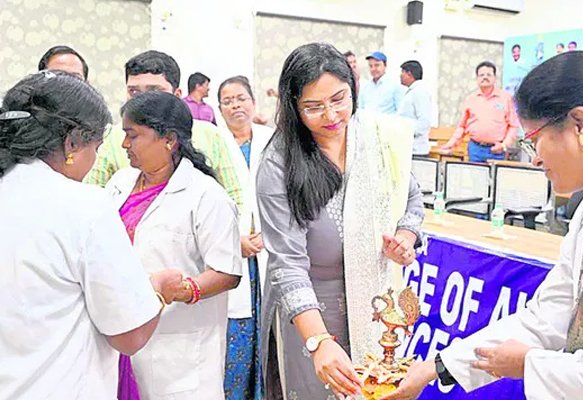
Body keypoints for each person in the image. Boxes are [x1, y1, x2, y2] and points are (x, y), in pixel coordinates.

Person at [382, 51, 583, 400]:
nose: (535, 157)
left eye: (534, 139)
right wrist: (437, 366)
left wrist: (530, 365)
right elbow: (549, 314)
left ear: (580, 125)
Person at [0, 71, 183, 398]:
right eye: (96, 147)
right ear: (71, 142)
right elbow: (129, 334)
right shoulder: (83, 205)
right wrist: (156, 290)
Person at [258, 42, 424, 400]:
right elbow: (287, 263)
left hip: (373, 304)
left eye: (340, 99)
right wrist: (318, 341)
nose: (332, 116)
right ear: (292, 106)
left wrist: (405, 236)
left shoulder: (380, 140)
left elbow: (411, 198)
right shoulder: (279, 163)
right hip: (309, 309)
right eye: (314, 107)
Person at [105, 91, 242, 400]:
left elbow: (227, 271)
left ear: (168, 140)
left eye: (133, 136)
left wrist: (180, 290)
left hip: (178, 349)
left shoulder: (206, 196)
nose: (125, 145)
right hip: (122, 333)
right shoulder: (119, 184)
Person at [85, 50, 243, 210]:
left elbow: (235, 198)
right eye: (134, 92)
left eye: (154, 91)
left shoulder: (210, 135)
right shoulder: (115, 137)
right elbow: (91, 198)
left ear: (177, 95)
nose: (143, 101)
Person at [217, 75, 274, 400]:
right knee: (235, 340)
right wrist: (234, 238)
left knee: (271, 340)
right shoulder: (213, 142)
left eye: (241, 98)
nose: (236, 105)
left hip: (271, 249)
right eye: (228, 100)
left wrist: (271, 233)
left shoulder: (273, 139)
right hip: (231, 250)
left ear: (253, 102)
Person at [441, 61, 519, 162]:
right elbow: (462, 126)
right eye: (481, 75)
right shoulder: (470, 99)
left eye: (489, 75)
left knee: (495, 178)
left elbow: (513, 125)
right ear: (477, 78)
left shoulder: (506, 98)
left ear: (494, 78)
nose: (485, 77)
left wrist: (504, 145)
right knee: (475, 177)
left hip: (496, 150)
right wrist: (451, 143)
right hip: (475, 149)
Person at [398, 60, 432, 156]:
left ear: (409, 74)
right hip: (408, 148)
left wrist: (406, 133)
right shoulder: (412, 91)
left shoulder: (420, 92)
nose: (400, 75)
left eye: (402, 72)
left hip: (417, 150)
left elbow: (424, 122)